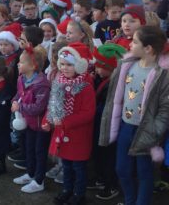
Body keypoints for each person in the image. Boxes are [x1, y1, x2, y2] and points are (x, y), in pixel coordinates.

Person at [99, 26, 169, 205]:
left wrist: (154, 132)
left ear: (148, 49)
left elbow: (164, 110)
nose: (130, 44)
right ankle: (130, 201)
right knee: (122, 169)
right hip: (125, 126)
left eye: (135, 42)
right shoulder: (127, 65)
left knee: (144, 173)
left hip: (146, 131)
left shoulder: (163, 75)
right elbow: (116, 98)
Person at [42, 42, 96, 205]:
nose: (65, 68)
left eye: (70, 65)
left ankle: (79, 194)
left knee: (78, 167)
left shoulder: (85, 86)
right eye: (62, 64)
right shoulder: (59, 82)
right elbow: (53, 105)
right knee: (66, 164)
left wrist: (66, 121)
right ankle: (67, 190)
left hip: (78, 134)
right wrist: (47, 121)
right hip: (62, 132)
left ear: (79, 65)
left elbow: (88, 113)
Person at [88, 43, 126, 200]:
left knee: (108, 156)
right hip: (100, 122)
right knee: (100, 153)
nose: (96, 70)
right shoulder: (101, 79)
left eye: (99, 67)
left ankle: (111, 185)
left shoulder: (114, 83)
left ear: (110, 67)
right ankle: (101, 178)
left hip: (109, 124)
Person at [12, 46, 50, 193]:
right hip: (28, 123)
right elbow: (18, 95)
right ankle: (31, 173)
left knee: (39, 152)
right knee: (29, 149)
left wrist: (19, 108)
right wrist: (14, 102)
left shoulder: (42, 84)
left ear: (33, 66)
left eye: (21, 62)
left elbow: (38, 108)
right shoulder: (21, 78)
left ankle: (39, 181)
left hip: (40, 125)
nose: (18, 64)